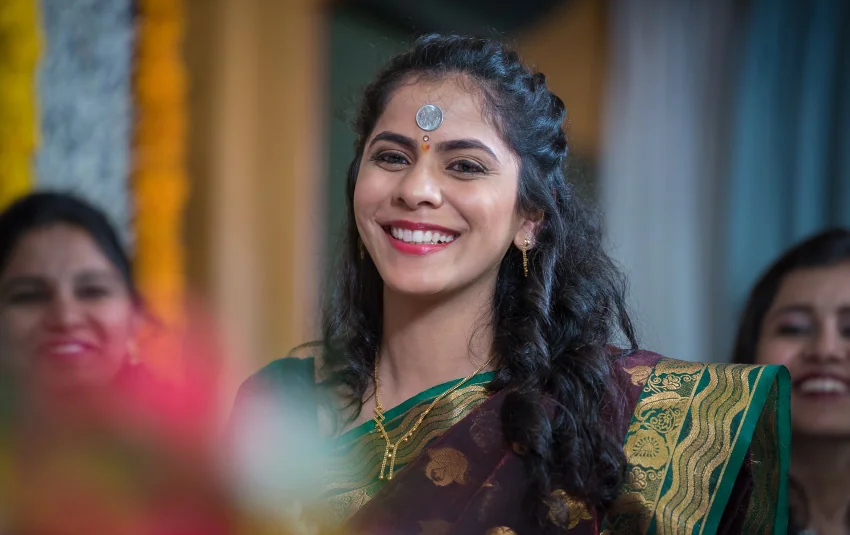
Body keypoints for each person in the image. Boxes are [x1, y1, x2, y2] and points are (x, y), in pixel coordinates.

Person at [231, 35, 790, 534]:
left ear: (529, 218)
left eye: (466, 166)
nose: (417, 189)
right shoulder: (282, 404)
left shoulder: (613, 417)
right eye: (392, 157)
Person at [0, 191, 231, 535]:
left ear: (135, 316)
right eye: (29, 295)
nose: (65, 317)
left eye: (93, 291)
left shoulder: (188, 466)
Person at [732, 228, 850, 535]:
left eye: (849, 329)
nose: (825, 350)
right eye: (795, 329)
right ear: (751, 351)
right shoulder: (689, 512)